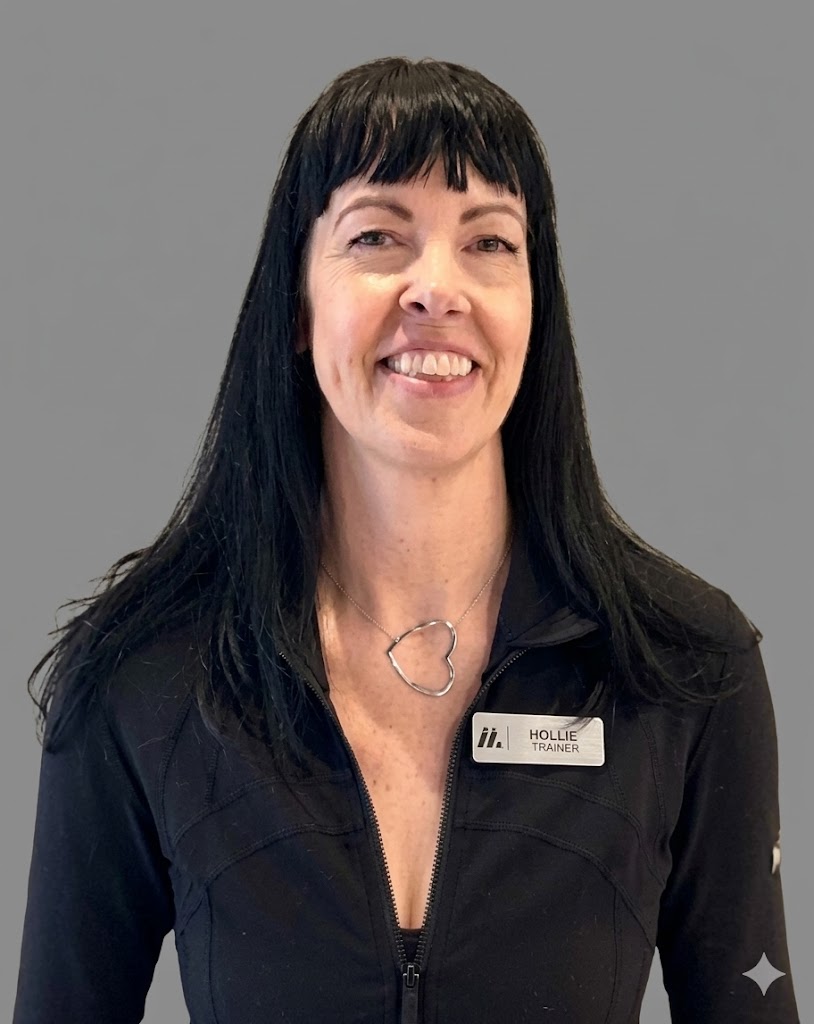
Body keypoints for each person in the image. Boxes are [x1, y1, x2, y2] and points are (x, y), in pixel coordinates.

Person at [13, 56, 799, 1024]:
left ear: (535, 306)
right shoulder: (143, 672)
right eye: (377, 236)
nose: (437, 288)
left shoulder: (683, 664)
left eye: (489, 242)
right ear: (296, 304)